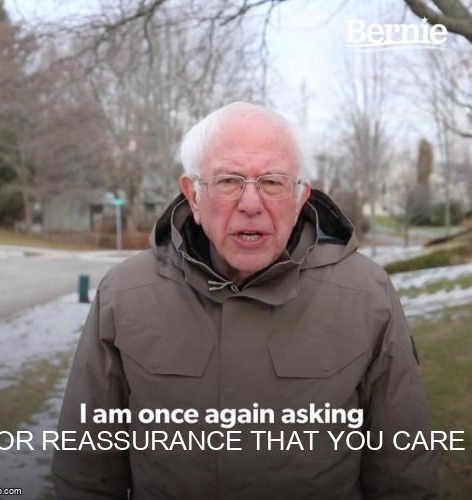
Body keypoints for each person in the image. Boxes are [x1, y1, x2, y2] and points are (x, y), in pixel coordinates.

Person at [52, 102, 438, 499]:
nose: (251, 204)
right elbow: (85, 471)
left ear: (301, 196)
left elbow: (404, 473)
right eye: (228, 181)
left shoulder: (366, 296)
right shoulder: (125, 294)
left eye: (272, 182)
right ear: (194, 196)